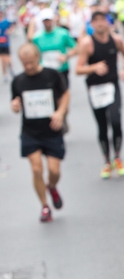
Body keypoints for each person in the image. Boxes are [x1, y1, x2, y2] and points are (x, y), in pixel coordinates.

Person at [11, 43, 69, 223]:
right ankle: (45, 206)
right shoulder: (18, 80)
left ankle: (51, 186)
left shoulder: (52, 75)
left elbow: (65, 94)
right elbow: (15, 103)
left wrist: (60, 112)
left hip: (51, 130)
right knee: (36, 168)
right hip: (30, 131)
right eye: (24, 63)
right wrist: (15, 106)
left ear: (38, 58)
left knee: (54, 170)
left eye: (31, 62)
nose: (28, 66)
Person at [75, 10, 124, 179]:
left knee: (115, 120)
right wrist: (94, 67)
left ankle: (118, 157)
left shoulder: (116, 40)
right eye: (96, 21)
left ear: (107, 23)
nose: (100, 24)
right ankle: (106, 161)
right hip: (95, 89)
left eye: (102, 20)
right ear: (92, 25)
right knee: (102, 126)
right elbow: (78, 68)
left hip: (112, 86)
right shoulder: (87, 44)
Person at [31, 8, 76, 90]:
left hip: (61, 70)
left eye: (48, 20)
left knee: (63, 92)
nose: (47, 22)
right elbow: (33, 53)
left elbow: (75, 48)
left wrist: (66, 56)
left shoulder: (62, 33)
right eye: (45, 20)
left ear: (52, 20)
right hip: (45, 71)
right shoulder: (37, 37)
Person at [0, 8, 15, 82]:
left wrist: (9, 31)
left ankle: (11, 69)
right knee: (2, 60)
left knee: (8, 59)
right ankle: (5, 75)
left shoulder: (6, 21)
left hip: (5, 43)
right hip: (0, 45)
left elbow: (12, 25)